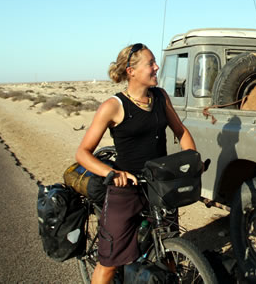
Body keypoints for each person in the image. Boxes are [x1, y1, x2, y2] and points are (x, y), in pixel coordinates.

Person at [75, 43, 198, 284]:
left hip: (159, 187)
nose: (156, 67)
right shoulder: (113, 106)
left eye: (155, 63)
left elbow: (180, 131)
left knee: (168, 251)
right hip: (126, 188)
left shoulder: (160, 97)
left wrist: (191, 159)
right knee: (109, 263)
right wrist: (112, 173)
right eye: (150, 63)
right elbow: (83, 153)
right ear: (131, 71)